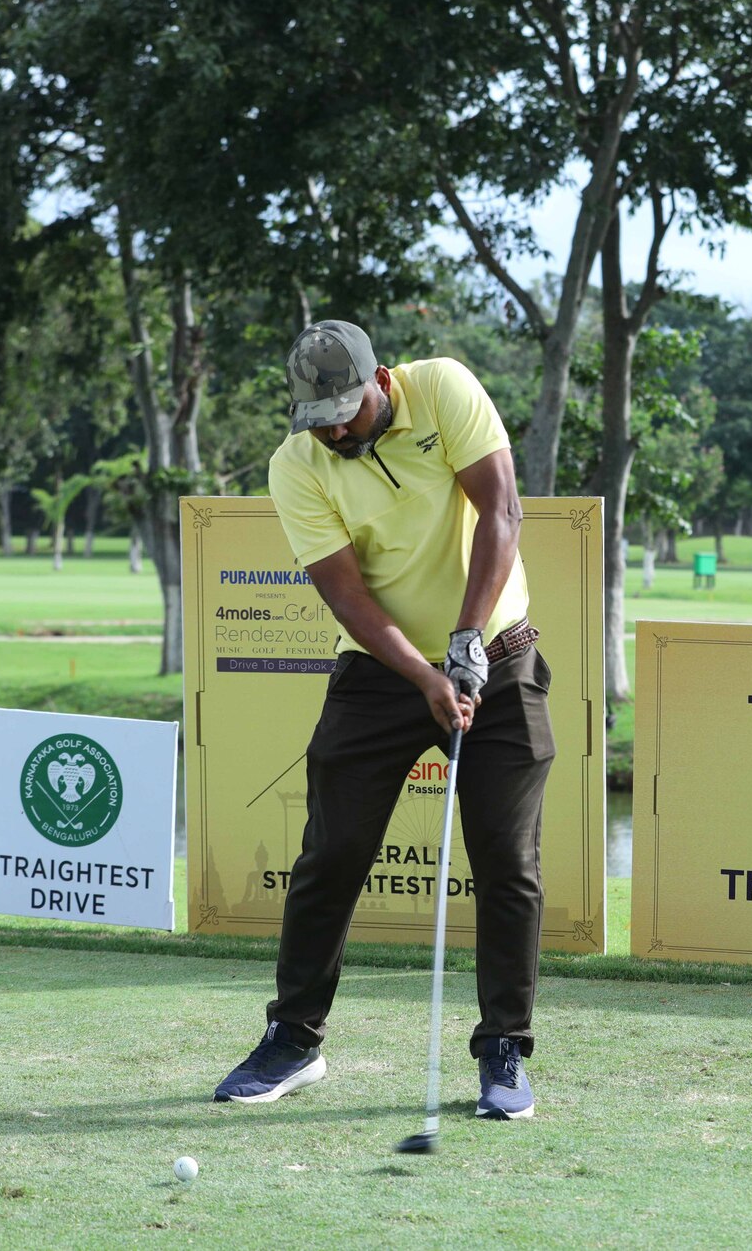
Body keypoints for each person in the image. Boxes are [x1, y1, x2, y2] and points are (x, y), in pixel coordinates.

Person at [214, 319, 553, 1122]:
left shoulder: (443, 389)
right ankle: (293, 1040)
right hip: (380, 670)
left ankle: (503, 1050)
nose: (333, 427)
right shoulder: (297, 464)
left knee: (508, 862)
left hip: (498, 657)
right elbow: (345, 594)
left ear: (382, 381)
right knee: (330, 853)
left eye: (344, 409)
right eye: (316, 414)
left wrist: (467, 642)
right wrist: (426, 673)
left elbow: (501, 513)